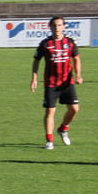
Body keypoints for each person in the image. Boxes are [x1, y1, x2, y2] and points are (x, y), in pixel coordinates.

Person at [30, 16, 82, 150]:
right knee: (50, 111)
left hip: (67, 82)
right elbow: (36, 60)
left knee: (74, 109)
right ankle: (49, 140)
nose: (57, 28)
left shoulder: (70, 42)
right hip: (51, 83)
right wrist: (34, 78)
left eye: (59, 25)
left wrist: (78, 75)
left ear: (64, 27)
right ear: (50, 27)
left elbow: (76, 59)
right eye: (54, 25)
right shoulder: (45, 43)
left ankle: (63, 129)